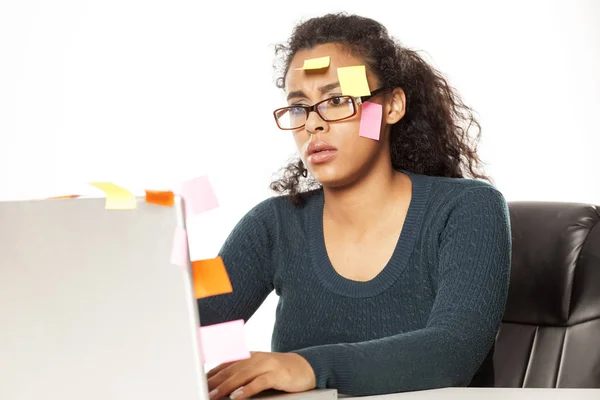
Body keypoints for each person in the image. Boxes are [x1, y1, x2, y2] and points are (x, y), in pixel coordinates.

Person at [198, 12, 512, 400]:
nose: (313, 124)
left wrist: (309, 366)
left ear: (392, 106)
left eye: (338, 100)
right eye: (299, 107)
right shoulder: (272, 225)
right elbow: (191, 329)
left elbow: (453, 351)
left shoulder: (467, 210)